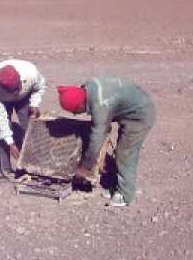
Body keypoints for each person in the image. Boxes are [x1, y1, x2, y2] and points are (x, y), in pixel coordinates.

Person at [57, 77, 156, 207]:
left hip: (140, 116)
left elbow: (97, 139)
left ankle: (125, 195)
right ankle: (115, 186)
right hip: (134, 105)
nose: (76, 114)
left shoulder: (100, 105)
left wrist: (85, 167)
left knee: (125, 153)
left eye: (75, 112)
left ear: (81, 104)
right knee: (119, 150)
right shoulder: (88, 87)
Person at [0, 59, 46, 176]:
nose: (15, 94)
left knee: (30, 126)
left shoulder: (31, 73)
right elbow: (1, 119)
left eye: (16, 89)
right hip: (3, 98)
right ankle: (4, 170)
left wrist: (34, 103)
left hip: (25, 95)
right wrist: (11, 143)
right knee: (4, 132)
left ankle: (33, 166)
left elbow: (39, 87)